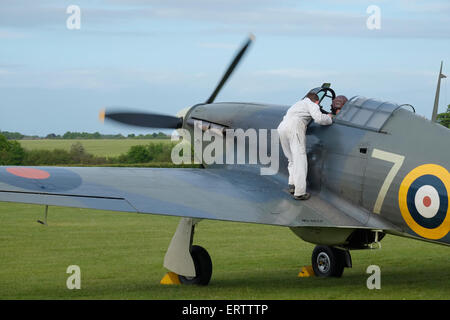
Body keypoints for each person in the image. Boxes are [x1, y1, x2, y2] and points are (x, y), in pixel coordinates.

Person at [277, 92, 333, 200]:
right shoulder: (312, 104)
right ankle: (300, 193)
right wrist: (329, 117)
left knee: (291, 159)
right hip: (295, 127)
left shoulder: (298, 104)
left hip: (282, 127)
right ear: (317, 101)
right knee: (300, 159)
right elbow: (319, 118)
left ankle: (292, 185)